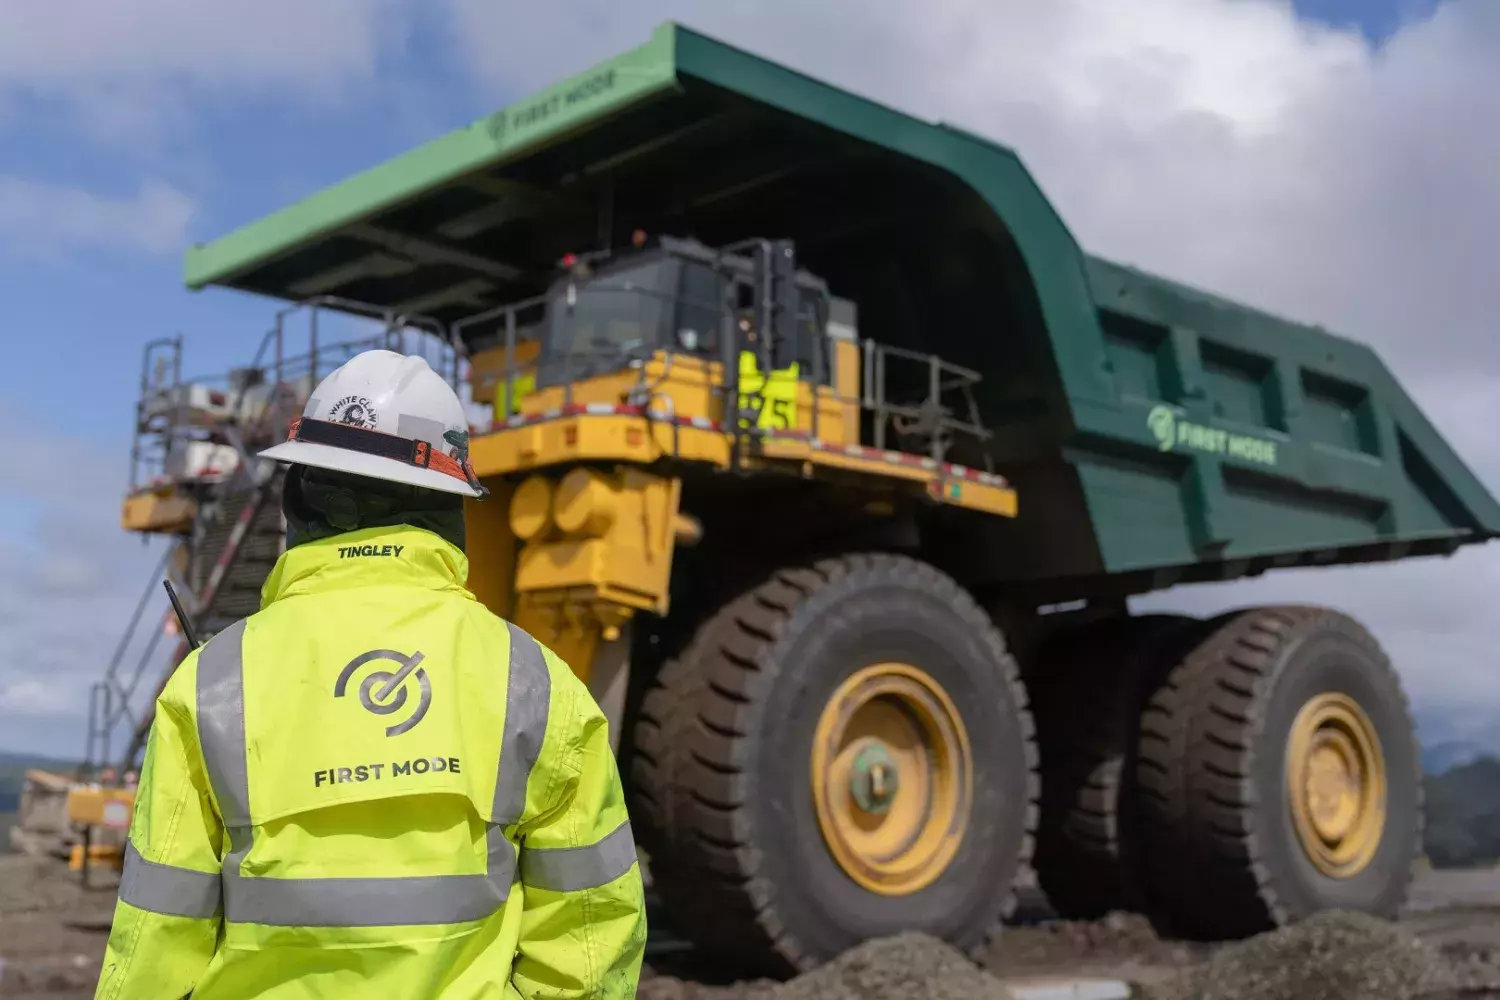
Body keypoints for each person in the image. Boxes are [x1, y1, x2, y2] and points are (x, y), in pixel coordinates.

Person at [96, 350, 646, 999]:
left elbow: (156, 939)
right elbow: (590, 934)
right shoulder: (538, 685)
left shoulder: (210, 684)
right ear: (453, 506)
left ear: (296, 495)